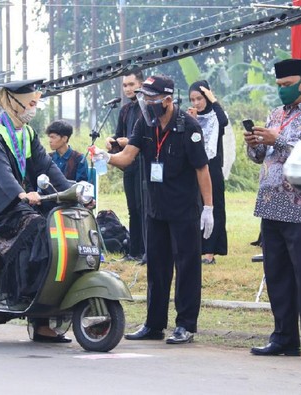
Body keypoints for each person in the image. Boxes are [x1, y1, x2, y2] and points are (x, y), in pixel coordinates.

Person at [92, 74, 214, 345]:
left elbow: (202, 169)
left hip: (184, 209)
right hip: (155, 208)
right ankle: (154, 323)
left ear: (167, 100)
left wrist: (209, 208)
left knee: (187, 267)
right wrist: (106, 157)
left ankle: (185, 325)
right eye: (143, 98)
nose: (145, 103)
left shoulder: (188, 126)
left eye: (151, 99)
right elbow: (127, 157)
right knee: (157, 267)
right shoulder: (143, 124)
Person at [0, 79, 76, 343]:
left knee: (57, 219)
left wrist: (72, 193)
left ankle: (44, 313)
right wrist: (20, 194)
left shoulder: (26, 132)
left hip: (19, 198)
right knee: (37, 227)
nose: (33, 108)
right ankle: (26, 300)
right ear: (13, 102)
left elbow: (45, 165)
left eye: (35, 103)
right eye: (30, 103)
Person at [245, 59, 301, 362]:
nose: (283, 91)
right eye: (279, 86)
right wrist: (255, 143)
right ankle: (284, 338)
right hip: (270, 206)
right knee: (277, 275)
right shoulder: (276, 114)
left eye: (288, 85)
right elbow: (263, 157)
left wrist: (278, 139)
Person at [105, 70, 146, 263]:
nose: (128, 88)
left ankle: (148, 250)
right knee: (133, 209)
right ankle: (134, 250)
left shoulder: (147, 107)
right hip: (128, 165)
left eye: (131, 84)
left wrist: (127, 141)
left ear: (141, 83)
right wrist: (111, 142)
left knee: (144, 207)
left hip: (145, 165)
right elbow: (118, 138)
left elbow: (148, 137)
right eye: (125, 85)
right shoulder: (125, 110)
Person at [187, 80, 228, 265]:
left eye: (200, 99)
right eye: (193, 99)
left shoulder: (215, 116)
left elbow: (223, 121)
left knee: (214, 207)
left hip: (212, 167)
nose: (196, 103)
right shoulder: (190, 117)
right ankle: (197, 247)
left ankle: (210, 251)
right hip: (194, 168)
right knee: (195, 207)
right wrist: (192, 121)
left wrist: (214, 99)